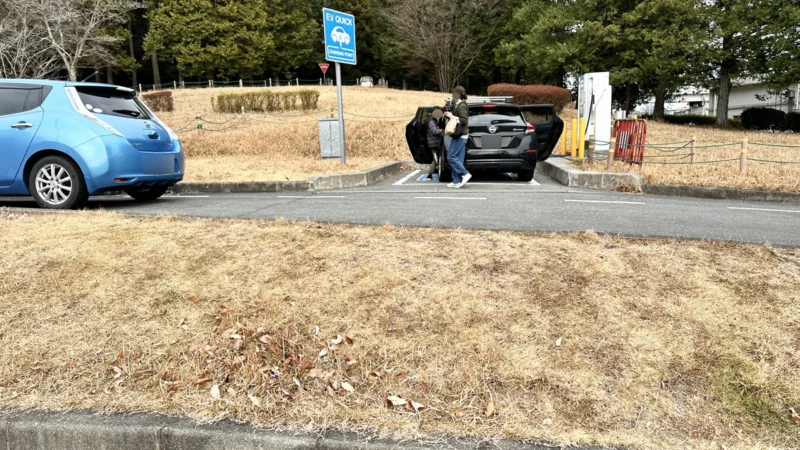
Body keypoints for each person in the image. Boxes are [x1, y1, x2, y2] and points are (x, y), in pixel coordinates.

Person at [444, 86, 471, 188]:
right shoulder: (458, 104)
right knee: (458, 159)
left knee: (451, 156)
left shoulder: (462, 106)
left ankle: (465, 174)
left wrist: (451, 116)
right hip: (460, 135)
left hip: (461, 135)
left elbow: (464, 120)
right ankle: (456, 181)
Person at [425, 108, 444, 178]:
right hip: (433, 144)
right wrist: (443, 131)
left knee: (436, 159)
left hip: (435, 143)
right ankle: (429, 174)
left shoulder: (434, 121)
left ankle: (432, 173)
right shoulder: (431, 122)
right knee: (435, 159)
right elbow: (434, 131)